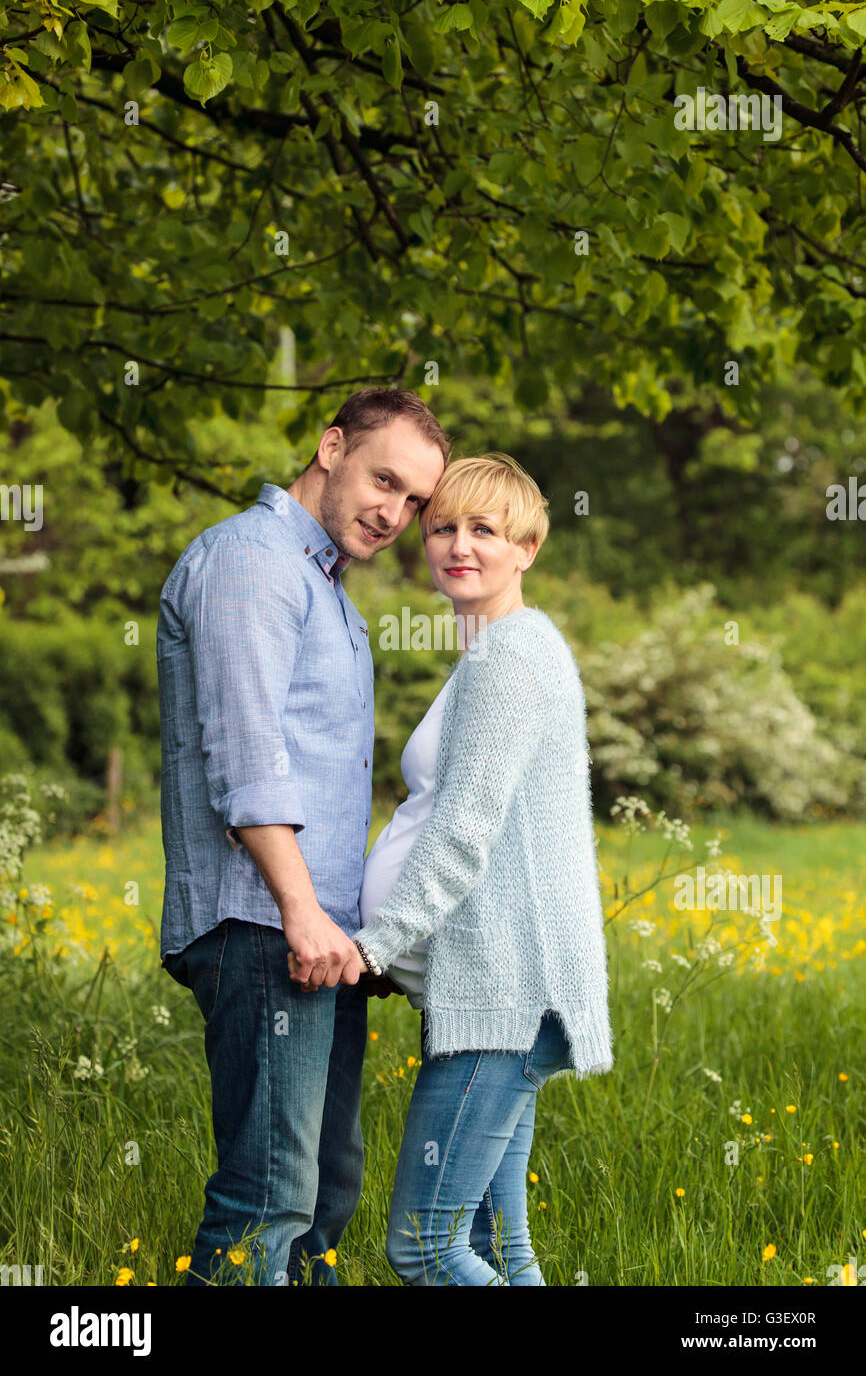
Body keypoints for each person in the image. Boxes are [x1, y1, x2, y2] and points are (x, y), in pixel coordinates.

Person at [297, 451, 615, 1285]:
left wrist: (374, 945)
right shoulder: (494, 653)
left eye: (484, 529)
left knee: (427, 1247)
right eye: (443, 527)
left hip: (504, 1001)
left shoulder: (508, 661)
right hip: (497, 997)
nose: (458, 545)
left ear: (527, 548)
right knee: (503, 1250)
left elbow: (464, 833)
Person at [157, 387, 449, 1285]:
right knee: (269, 1194)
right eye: (383, 481)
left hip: (320, 940)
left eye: (412, 504)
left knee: (323, 1195)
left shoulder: (330, 595)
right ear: (331, 447)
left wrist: (358, 933)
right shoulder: (251, 562)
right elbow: (246, 759)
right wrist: (300, 910)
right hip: (264, 927)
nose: (393, 514)